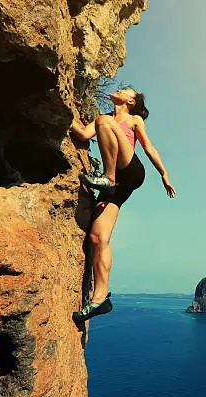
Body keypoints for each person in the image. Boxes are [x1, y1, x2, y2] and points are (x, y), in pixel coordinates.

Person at [69, 87, 176, 322]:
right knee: (98, 238)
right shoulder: (103, 120)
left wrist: (164, 174)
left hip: (130, 172)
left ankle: (107, 178)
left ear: (130, 101)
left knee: (104, 123)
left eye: (125, 90)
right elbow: (83, 135)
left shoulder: (133, 119)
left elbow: (148, 148)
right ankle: (100, 299)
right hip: (118, 187)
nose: (119, 89)